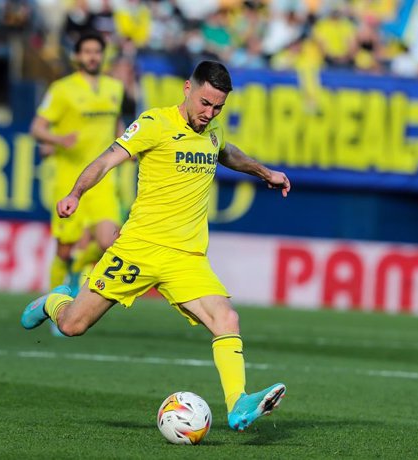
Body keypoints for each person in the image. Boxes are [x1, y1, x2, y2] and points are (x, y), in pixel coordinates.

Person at [22, 61, 289, 431]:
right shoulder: (154, 124)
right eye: (205, 103)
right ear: (187, 89)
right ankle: (53, 302)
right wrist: (76, 193)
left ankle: (238, 404)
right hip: (138, 248)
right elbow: (106, 160)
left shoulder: (212, 131)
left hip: (185, 256)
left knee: (226, 318)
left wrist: (266, 173)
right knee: (72, 326)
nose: (209, 113)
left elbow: (227, 152)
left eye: (217, 108)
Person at [30, 30, 125, 297]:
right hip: (69, 179)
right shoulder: (62, 90)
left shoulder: (114, 89)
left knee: (109, 241)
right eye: (87, 52)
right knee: (64, 248)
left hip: (103, 180)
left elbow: (117, 126)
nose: (92, 57)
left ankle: (80, 266)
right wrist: (58, 138)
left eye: (97, 52)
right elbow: (36, 128)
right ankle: (52, 304)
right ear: (77, 56)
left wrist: (131, 148)